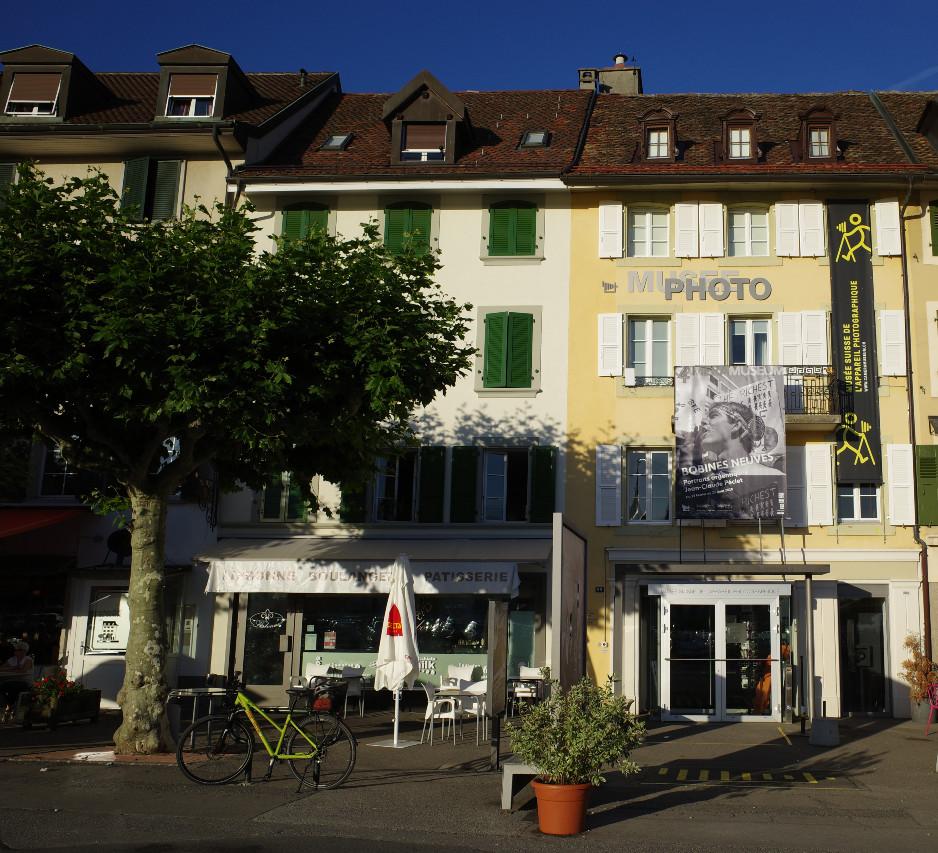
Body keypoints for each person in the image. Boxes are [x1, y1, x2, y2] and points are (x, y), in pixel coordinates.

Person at [0, 640, 35, 720]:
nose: (15, 651)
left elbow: (22, 671)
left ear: (24, 651)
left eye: (18, 650)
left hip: (25, 682)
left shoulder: (28, 660)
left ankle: (9, 707)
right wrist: (13, 668)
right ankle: (10, 706)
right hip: (11, 681)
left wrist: (10, 669)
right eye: (15, 650)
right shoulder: (12, 659)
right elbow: (1, 668)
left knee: (7, 687)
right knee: (6, 687)